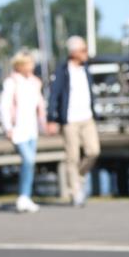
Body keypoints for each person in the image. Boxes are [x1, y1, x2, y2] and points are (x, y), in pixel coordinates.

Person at [47, 35, 100, 206]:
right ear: (74, 52)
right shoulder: (62, 71)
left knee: (93, 151)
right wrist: (51, 118)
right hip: (69, 119)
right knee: (72, 156)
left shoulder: (86, 70)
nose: (86, 53)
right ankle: (75, 192)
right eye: (83, 50)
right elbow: (54, 94)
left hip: (87, 117)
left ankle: (78, 176)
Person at [0, 51, 46, 213]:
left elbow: (40, 105)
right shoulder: (11, 82)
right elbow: (4, 106)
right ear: (20, 65)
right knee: (28, 160)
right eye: (28, 63)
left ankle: (26, 196)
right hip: (17, 128)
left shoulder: (35, 82)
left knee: (30, 163)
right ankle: (23, 196)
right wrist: (8, 127)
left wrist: (44, 124)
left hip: (32, 128)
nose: (31, 67)